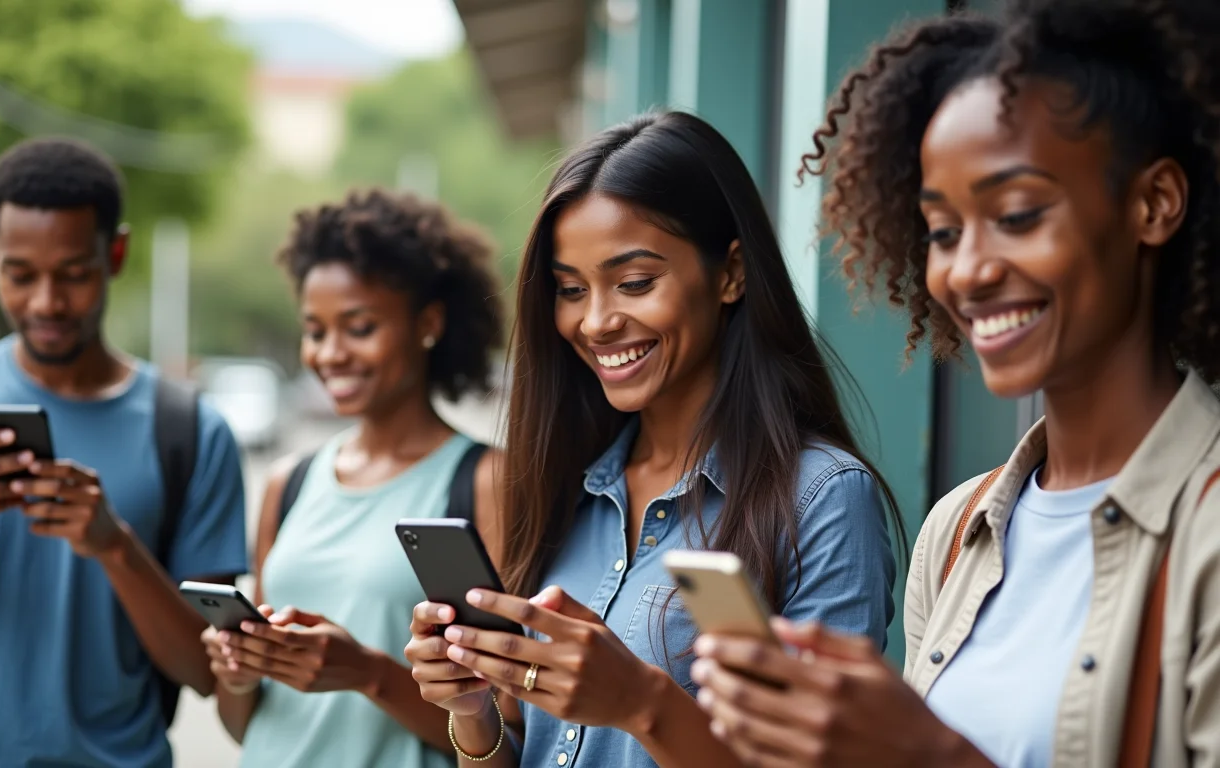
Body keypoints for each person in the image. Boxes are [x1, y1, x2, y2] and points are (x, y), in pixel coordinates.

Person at [691, 1, 1220, 766]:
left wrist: (929, 754)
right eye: (942, 231)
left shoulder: (1204, 533)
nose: (966, 270)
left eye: (1017, 213)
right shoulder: (958, 531)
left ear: (1154, 204)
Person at [404, 110, 901, 768]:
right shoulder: (564, 484)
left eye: (635, 282)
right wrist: (472, 714)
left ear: (730, 273)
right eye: (570, 290)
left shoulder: (822, 497)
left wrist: (641, 703)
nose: (598, 321)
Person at [0, 137, 247, 766]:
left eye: (74, 273)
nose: (47, 302)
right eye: (21, 275)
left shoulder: (190, 431)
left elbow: (206, 669)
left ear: (116, 253)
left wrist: (115, 546)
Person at [200, 187, 504, 768]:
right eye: (315, 330)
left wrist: (369, 674)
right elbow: (246, 727)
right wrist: (236, 674)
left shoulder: (486, 481)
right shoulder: (289, 483)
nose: (330, 354)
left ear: (429, 323)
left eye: (359, 327)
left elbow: (507, 732)